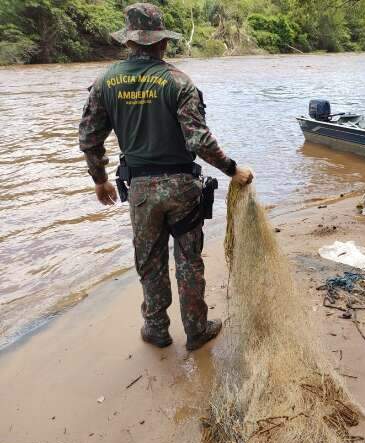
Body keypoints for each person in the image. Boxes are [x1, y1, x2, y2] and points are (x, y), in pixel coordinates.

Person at [78, 2, 253, 351]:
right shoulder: (178, 82)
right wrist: (233, 170)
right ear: (162, 43)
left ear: (130, 41)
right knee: (188, 261)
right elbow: (199, 140)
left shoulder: (105, 82)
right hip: (183, 189)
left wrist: (100, 179)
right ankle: (196, 330)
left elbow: (88, 138)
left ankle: (156, 329)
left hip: (140, 190)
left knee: (149, 261)